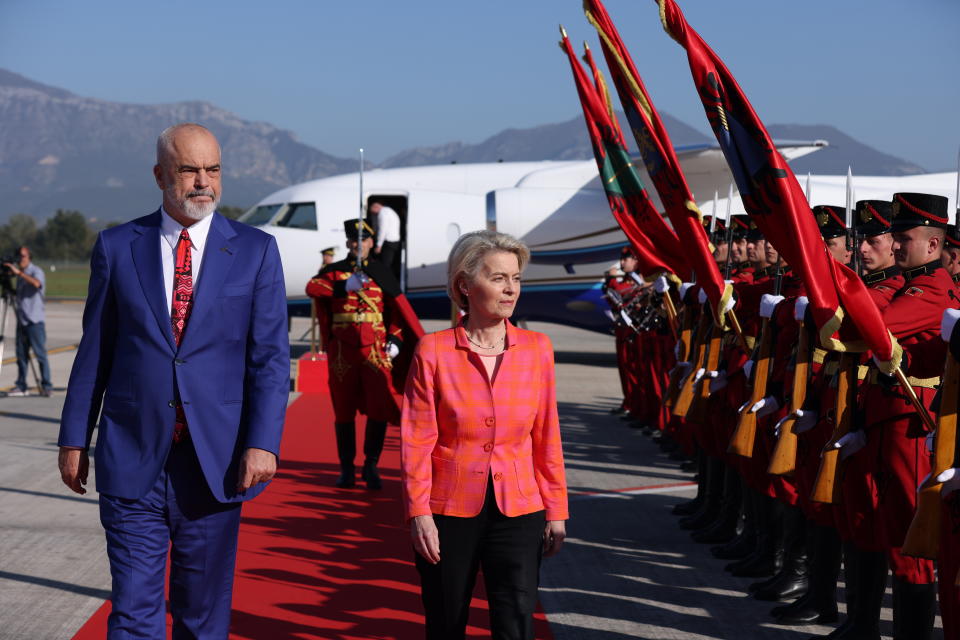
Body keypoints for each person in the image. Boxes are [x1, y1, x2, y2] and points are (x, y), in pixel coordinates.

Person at [57, 123, 290, 639]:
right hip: (132, 455)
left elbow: (270, 360)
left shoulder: (255, 250)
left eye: (213, 169)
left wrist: (262, 443)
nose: (203, 181)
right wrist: (75, 436)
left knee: (202, 617)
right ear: (161, 175)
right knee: (134, 612)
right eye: (189, 169)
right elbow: (95, 351)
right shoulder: (118, 247)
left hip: (216, 463)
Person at [401, 230, 568, 640]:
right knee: (446, 620)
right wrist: (418, 512)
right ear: (464, 285)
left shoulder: (537, 348)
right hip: (449, 508)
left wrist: (557, 509)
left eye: (516, 278)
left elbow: (547, 434)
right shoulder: (433, 350)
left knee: (515, 621)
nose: (511, 289)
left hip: (520, 507)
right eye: (498, 278)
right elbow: (417, 439)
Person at [306, 219, 423, 489]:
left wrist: (395, 340)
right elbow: (312, 288)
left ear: (372, 242)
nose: (359, 245)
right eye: (355, 240)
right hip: (342, 353)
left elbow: (397, 312)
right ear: (349, 243)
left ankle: (371, 465)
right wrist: (343, 287)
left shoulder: (382, 271)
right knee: (343, 410)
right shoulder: (335, 272)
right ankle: (346, 468)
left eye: (365, 240)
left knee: (379, 409)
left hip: (375, 351)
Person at [3, 246, 53, 396]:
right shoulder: (20, 274)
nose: (20, 260)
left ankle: (47, 386)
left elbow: (37, 284)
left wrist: (19, 273)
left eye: (23, 257)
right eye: (19, 257)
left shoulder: (35, 271)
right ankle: (21, 385)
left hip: (35, 321)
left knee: (40, 355)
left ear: (29, 257)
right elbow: (17, 294)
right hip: (22, 320)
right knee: (21, 355)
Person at [370, 200, 402, 272]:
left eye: (373, 212)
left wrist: (379, 245)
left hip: (388, 242)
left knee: (385, 264)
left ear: (376, 207)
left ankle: (385, 280)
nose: (373, 214)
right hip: (394, 241)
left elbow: (383, 229)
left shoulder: (383, 213)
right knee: (391, 263)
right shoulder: (389, 211)